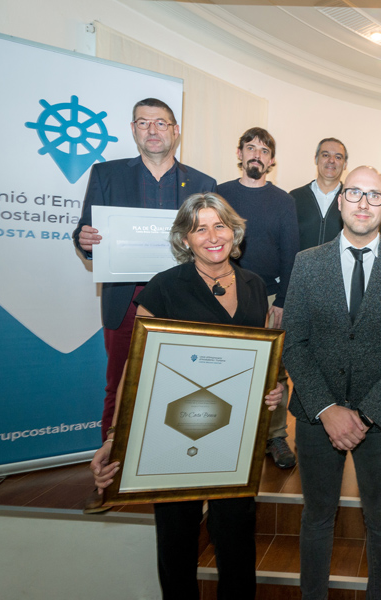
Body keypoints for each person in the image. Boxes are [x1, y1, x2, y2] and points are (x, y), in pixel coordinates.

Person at [90, 192, 283, 600]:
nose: (212, 236)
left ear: (235, 232)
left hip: (235, 438)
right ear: (185, 239)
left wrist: (274, 388)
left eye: (220, 225)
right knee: (177, 545)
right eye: (200, 228)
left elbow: (260, 360)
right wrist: (114, 438)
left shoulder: (254, 285)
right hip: (173, 436)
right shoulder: (164, 287)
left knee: (236, 542)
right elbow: (135, 367)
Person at [283, 166, 381, 600]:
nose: (364, 203)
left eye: (374, 196)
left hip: (379, 422)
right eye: (355, 193)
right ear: (341, 200)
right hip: (315, 416)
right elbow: (295, 344)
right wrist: (329, 410)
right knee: (317, 517)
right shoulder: (307, 263)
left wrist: (363, 415)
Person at [73, 98, 216, 445]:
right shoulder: (107, 173)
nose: (152, 130)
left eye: (161, 123)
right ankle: (110, 467)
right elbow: (84, 231)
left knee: (182, 381)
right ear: (133, 130)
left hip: (182, 298)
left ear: (175, 131)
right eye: (143, 122)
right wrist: (84, 240)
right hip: (126, 298)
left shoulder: (202, 182)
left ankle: (168, 455)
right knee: (119, 382)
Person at [217, 127, 300, 469]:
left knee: (274, 371)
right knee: (224, 365)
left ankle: (276, 435)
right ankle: (227, 431)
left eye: (264, 151)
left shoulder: (283, 201)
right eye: (250, 148)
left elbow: (291, 254)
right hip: (222, 293)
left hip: (268, 297)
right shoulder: (218, 194)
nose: (256, 155)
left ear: (271, 160)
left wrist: (281, 301)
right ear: (239, 154)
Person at [290, 138, 347, 250]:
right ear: (316, 159)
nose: (331, 160)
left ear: (345, 164)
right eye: (325, 155)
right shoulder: (294, 198)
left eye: (338, 157)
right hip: (301, 267)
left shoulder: (352, 200)